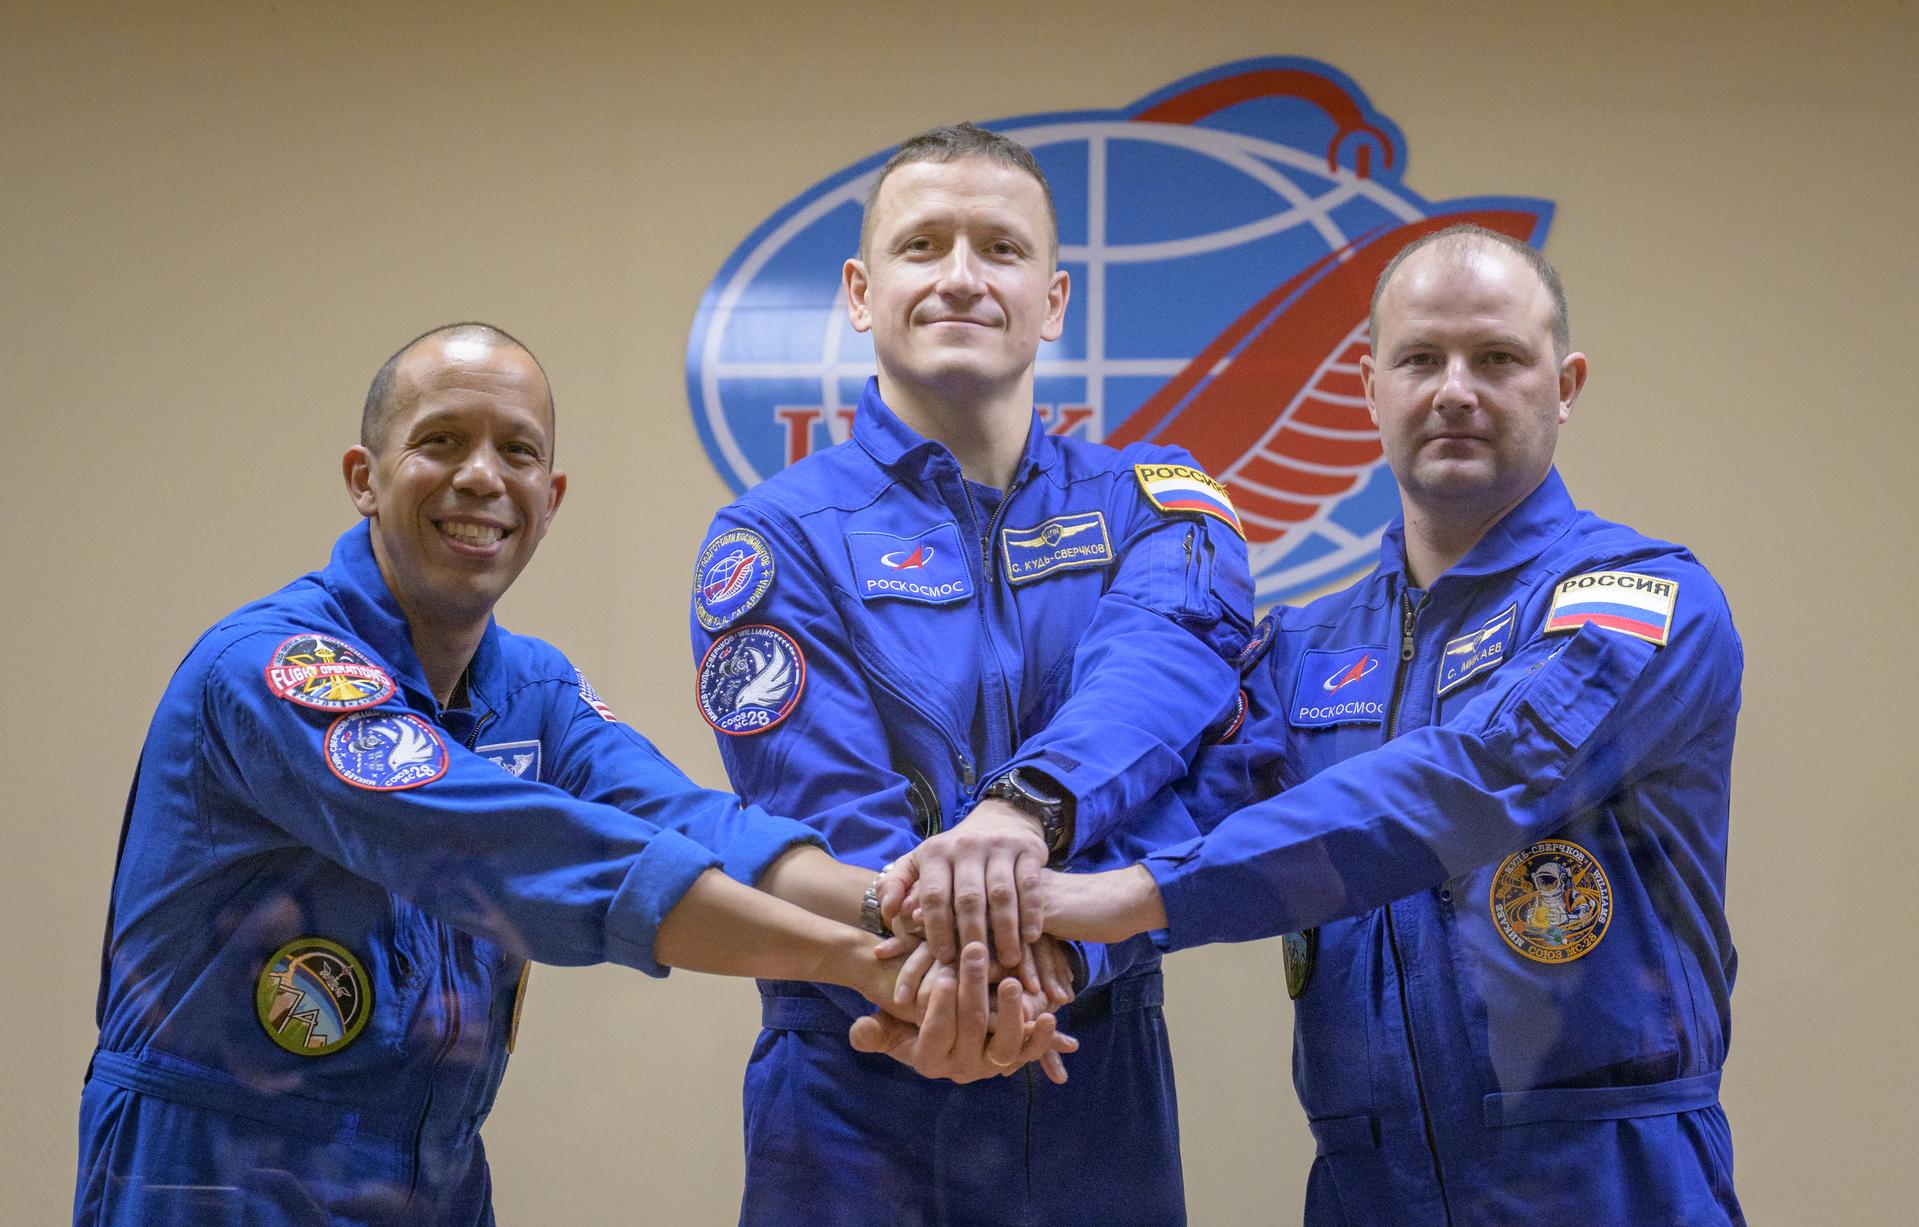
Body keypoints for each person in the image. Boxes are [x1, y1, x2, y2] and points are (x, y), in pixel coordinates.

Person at [75, 323, 1066, 1227]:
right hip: (211, 1174)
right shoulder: (276, 670)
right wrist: (862, 965)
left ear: (550, 501)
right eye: (439, 442)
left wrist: (902, 907)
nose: (479, 477)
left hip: (431, 1167)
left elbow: (686, 820)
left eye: (516, 451)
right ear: (364, 477)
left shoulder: (531, 688)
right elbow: (512, 852)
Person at [1033, 227, 1746, 1224]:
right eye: (1419, 358)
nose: (1454, 389)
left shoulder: (1640, 603)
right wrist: (1041, 952)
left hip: (1602, 1172)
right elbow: (1185, 810)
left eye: (1495, 358)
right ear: (1368, 387)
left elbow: (1468, 778)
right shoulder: (1302, 647)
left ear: (1565, 383)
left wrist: (1128, 899)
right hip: (1369, 1183)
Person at [688, 125, 1253, 1225]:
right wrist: (945, 976)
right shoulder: (773, 536)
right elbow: (819, 809)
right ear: (860, 292)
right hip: (857, 1066)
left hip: (1093, 1058)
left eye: (999, 248)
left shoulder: (1157, 503)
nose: (960, 276)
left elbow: (1174, 724)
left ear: (1052, 300)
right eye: (923, 245)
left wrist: (1040, 872)